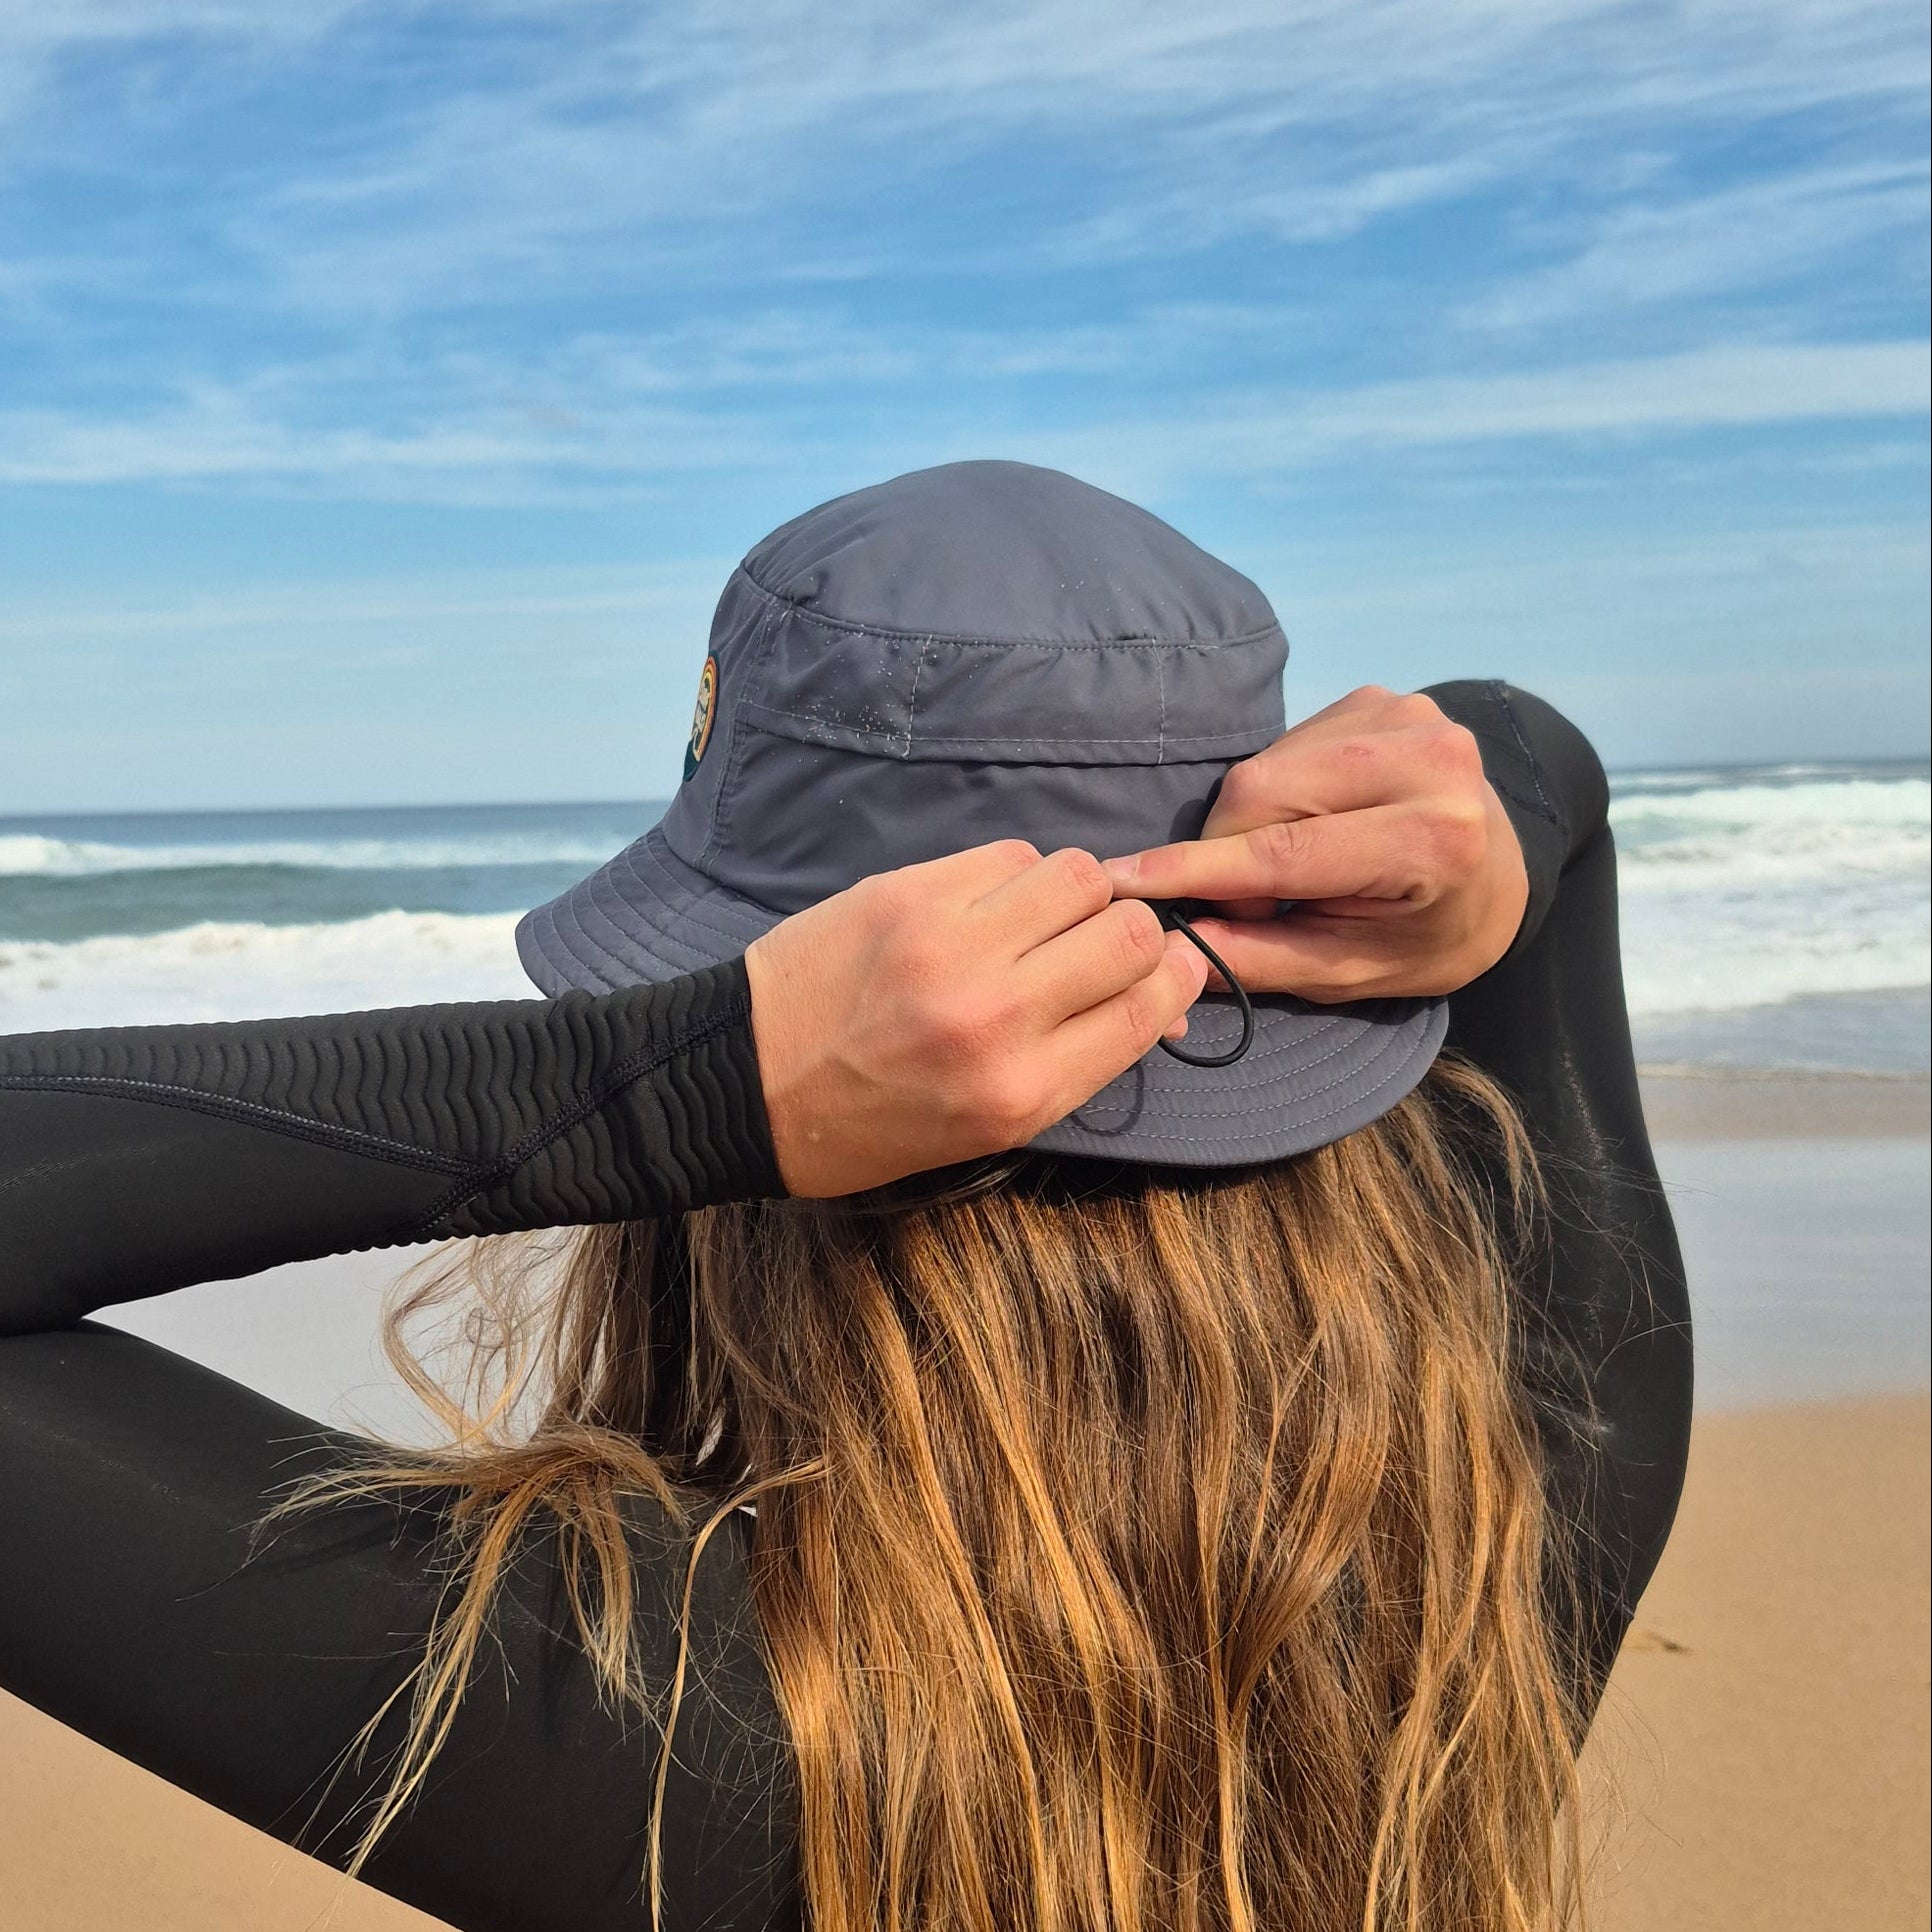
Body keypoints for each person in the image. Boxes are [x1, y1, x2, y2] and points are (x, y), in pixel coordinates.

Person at [0, 462, 1690, 1932]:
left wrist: (686, 1085)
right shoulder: (1510, 1529)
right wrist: (1493, 840)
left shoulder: (689, 1724)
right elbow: (1541, 763)